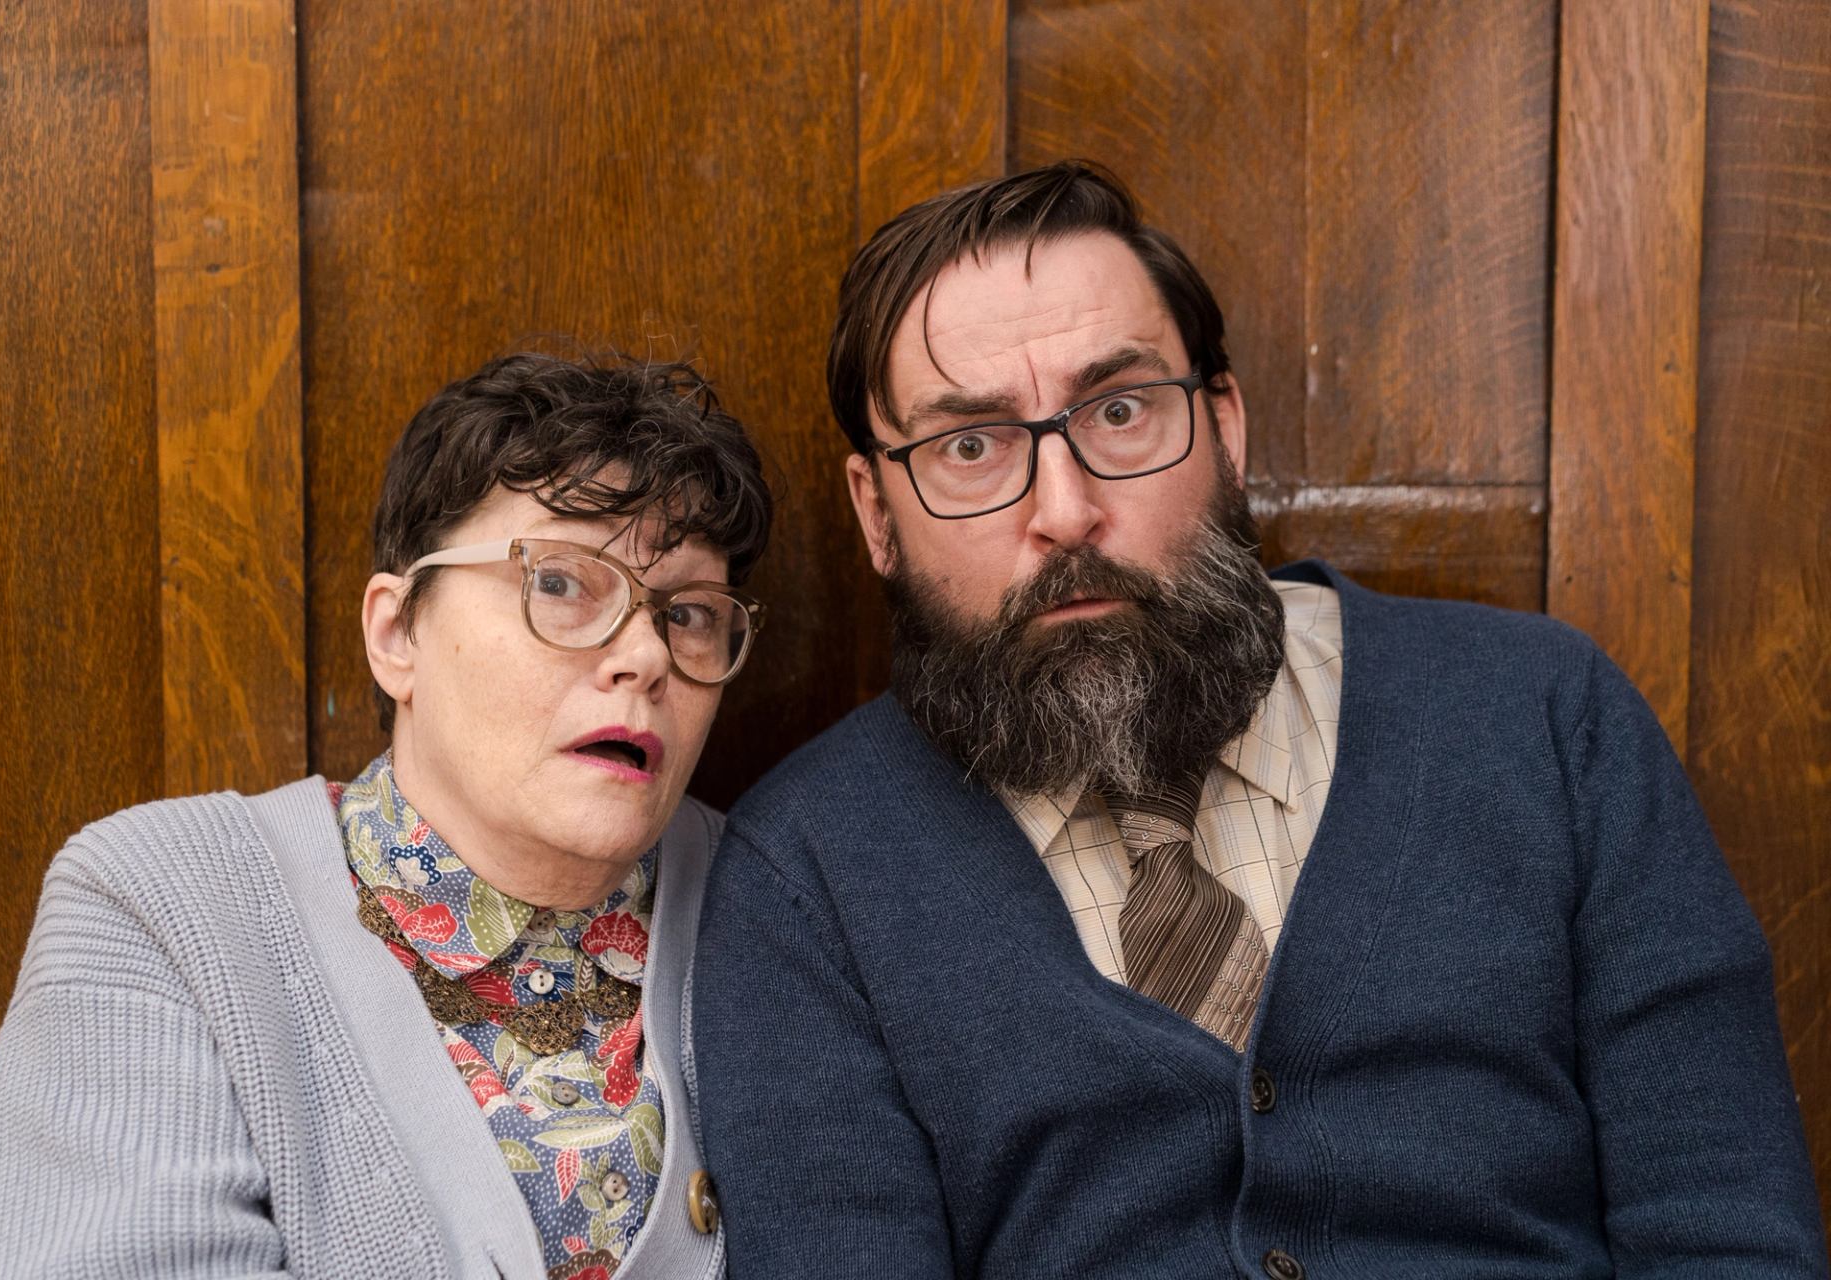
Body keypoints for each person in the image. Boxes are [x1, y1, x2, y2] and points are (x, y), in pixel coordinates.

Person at [692, 162, 1827, 1277]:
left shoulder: (1543, 717)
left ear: (1224, 428)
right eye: (970, 445)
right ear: (876, 513)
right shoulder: (810, 872)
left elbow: (1724, 1229)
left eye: (1122, 410)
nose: (1067, 511)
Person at [0, 352, 771, 1279]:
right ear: (397, 633)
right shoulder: (158, 903)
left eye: (688, 614)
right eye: (559, 582)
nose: (645, 654)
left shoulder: (777, 894)